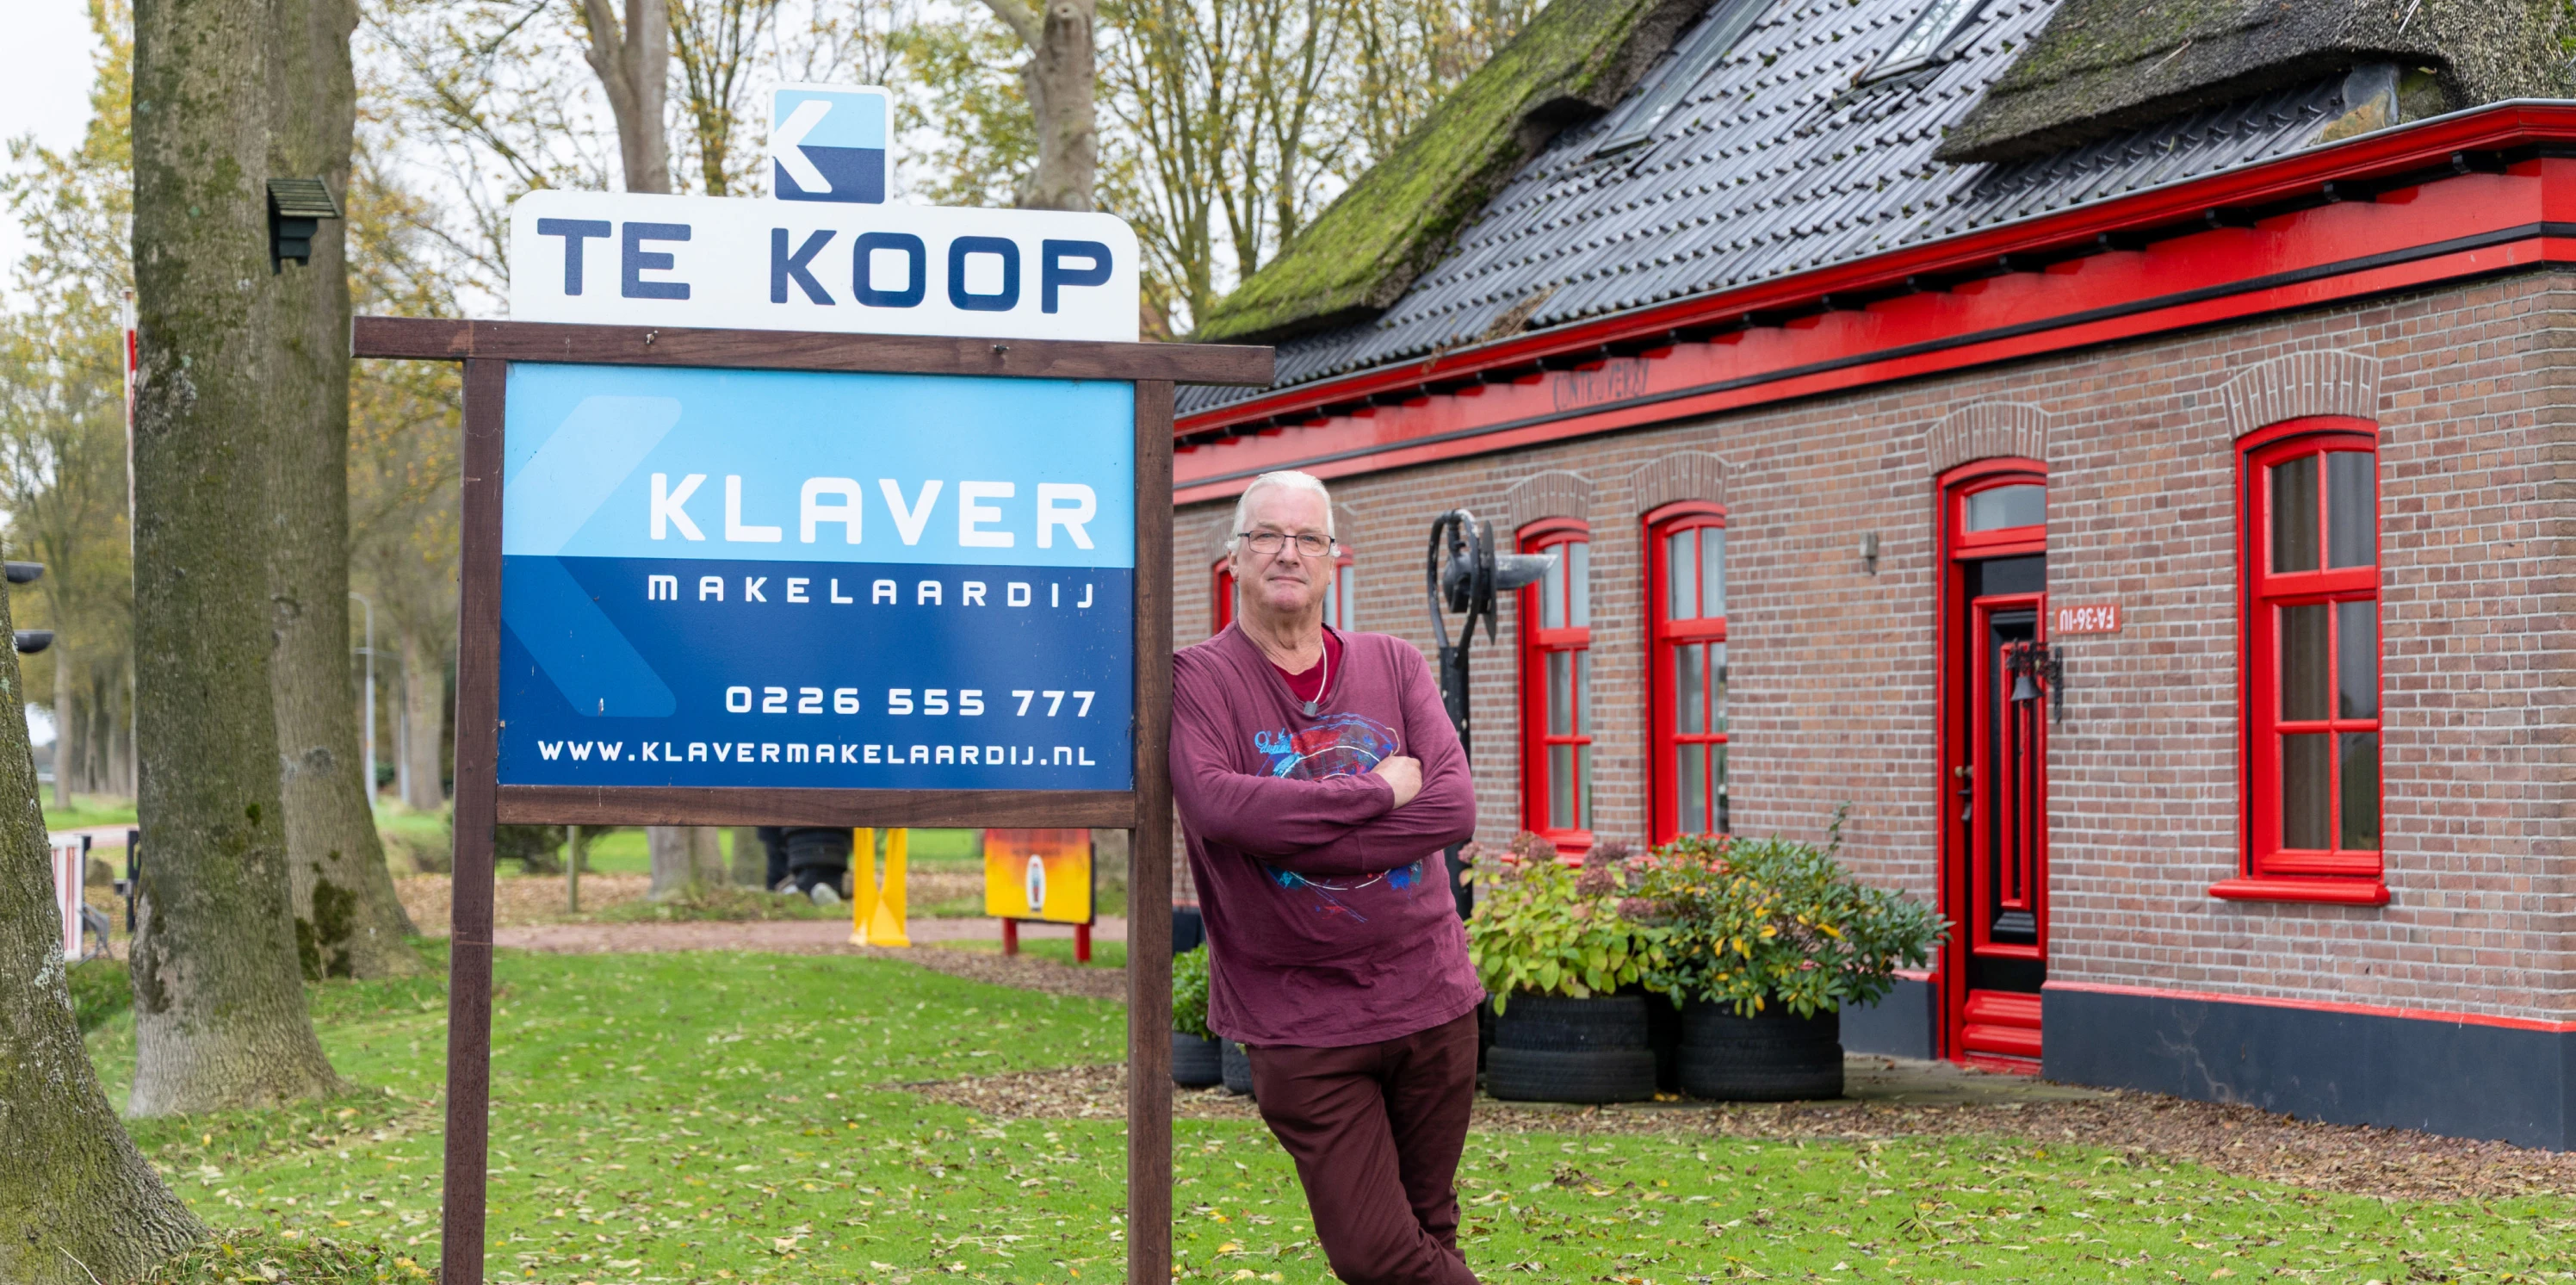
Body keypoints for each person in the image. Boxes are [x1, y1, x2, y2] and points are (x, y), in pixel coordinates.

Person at [1170, 469, 1484, 1285]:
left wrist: (1299, 835)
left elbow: (1453, 809)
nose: (1288, 553)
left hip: (1432, 1002)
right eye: (1267, 536)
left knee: (1428, 1233)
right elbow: (1218, 807)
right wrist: (1377, 791)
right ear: (1233, 558)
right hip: (1302, 1023)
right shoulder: (1198, 680)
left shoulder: (1395, 664)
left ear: (1333, 557)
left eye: (1307, 537)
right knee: (1377, 1255)